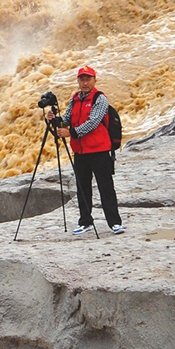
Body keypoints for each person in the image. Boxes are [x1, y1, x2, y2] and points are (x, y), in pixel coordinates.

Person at [55, 66, 123, 235]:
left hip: (99, 150)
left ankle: (114, 223)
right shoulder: (75, 98)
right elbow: (67, 118)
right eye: (82, 79)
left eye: (88, 79)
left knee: (105, 187)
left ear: (94, 80)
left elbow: (93, 123)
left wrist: (70, 132)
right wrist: (56, 120)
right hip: (81, 152)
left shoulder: (100, 99)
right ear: (78, 81)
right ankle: (85, 221)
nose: (85, 83)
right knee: (82, 188)